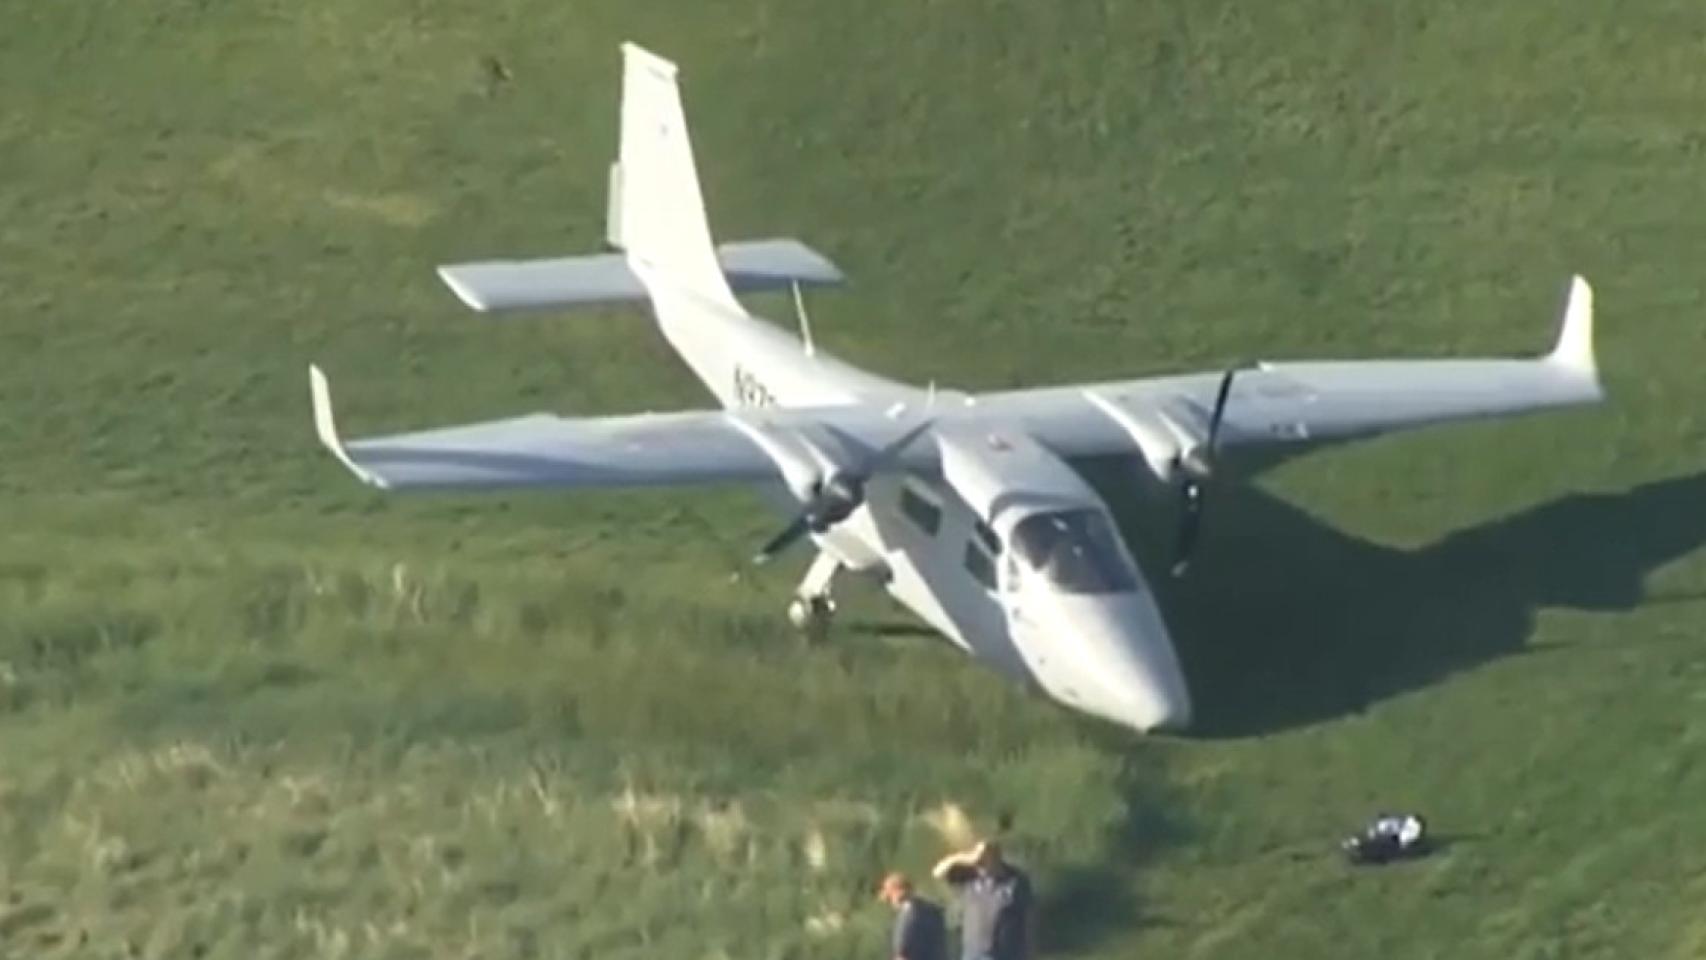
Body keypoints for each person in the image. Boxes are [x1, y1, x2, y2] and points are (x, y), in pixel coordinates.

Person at [931, 840, 1035, 960]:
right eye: (978, 861)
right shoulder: (971, 877)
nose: (980, 865)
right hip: (973, 954)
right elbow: (938, 873)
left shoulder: (1016, 881)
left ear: (996, 857)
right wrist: (967, 857)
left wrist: (1029, 954)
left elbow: (1028, 919)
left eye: (984, 860)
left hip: (1004, 954)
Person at [878, 872, 947, 960]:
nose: (892, 904)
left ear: (895, 892)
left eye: (889, 898)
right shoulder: (933, 910)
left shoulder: (907, 913)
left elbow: (902, 952)